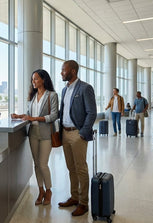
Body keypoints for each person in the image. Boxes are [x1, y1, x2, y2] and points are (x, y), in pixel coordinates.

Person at [11, 69, 58, 206]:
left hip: (46, 134)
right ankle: (40, 190)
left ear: (43, 79)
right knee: (36, 164)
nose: (33, 82)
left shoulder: (52, 95)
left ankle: (49, 190)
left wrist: (35, 118)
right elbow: (28, 114)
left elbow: (54, 115)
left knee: (43, 164)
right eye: (32, 79)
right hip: (33, 133)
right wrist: (19, 116)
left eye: (36, 79)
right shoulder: (32, 97)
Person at [57, 60, 97, 216]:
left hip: (77, 133)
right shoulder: (64, 90)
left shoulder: (85, 88)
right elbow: (63, 112)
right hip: (65, 133)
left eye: (63, 70)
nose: (61, 72)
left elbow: (92, 112)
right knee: (70, 168)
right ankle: (74, 197)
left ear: (73, 71)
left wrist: (83, 132)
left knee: (81, 169)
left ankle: (83, 203)